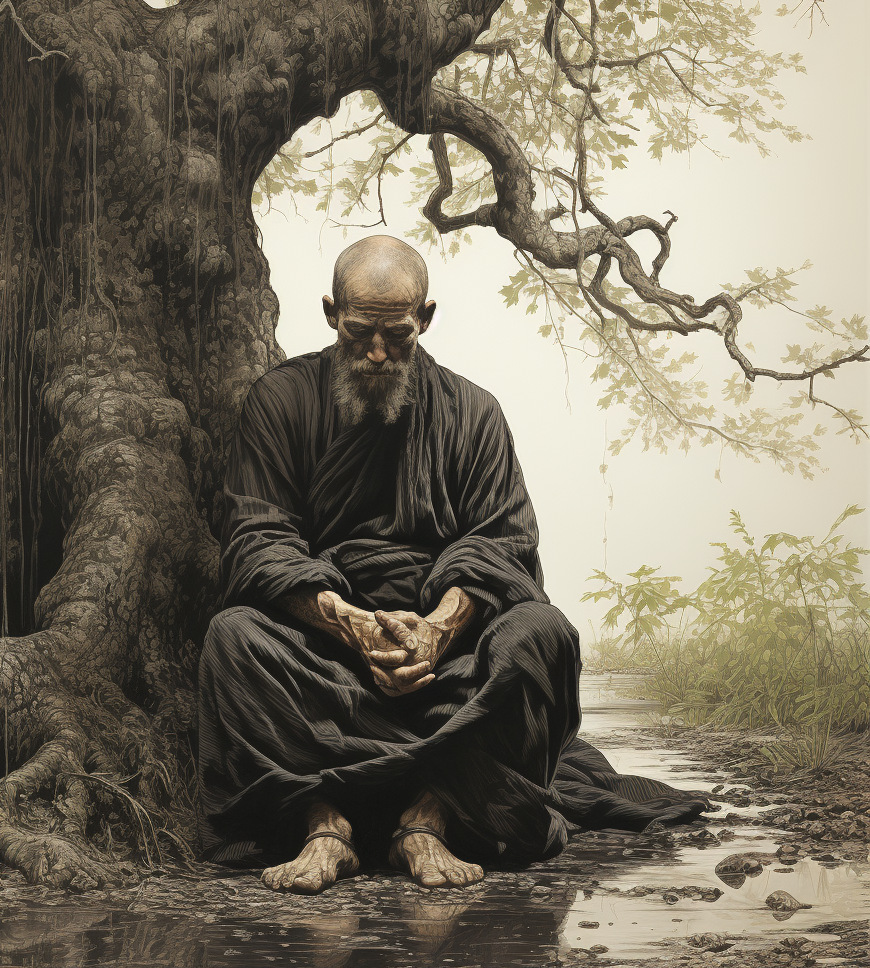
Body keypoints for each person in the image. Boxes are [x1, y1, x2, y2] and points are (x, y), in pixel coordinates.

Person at [198, 235, 709, 894]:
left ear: (426, 320)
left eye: (397, 336)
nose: (377, 353)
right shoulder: (281, 402)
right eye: (359, 334)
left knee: (542, 636)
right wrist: (349, 623)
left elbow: (506, 544)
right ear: (330, 314)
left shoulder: (473, 413)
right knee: (232, 638)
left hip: (449, 662)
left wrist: (437, 630)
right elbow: (258, 539)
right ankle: (324, 824)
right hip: (326, 654)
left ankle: (428, 816)